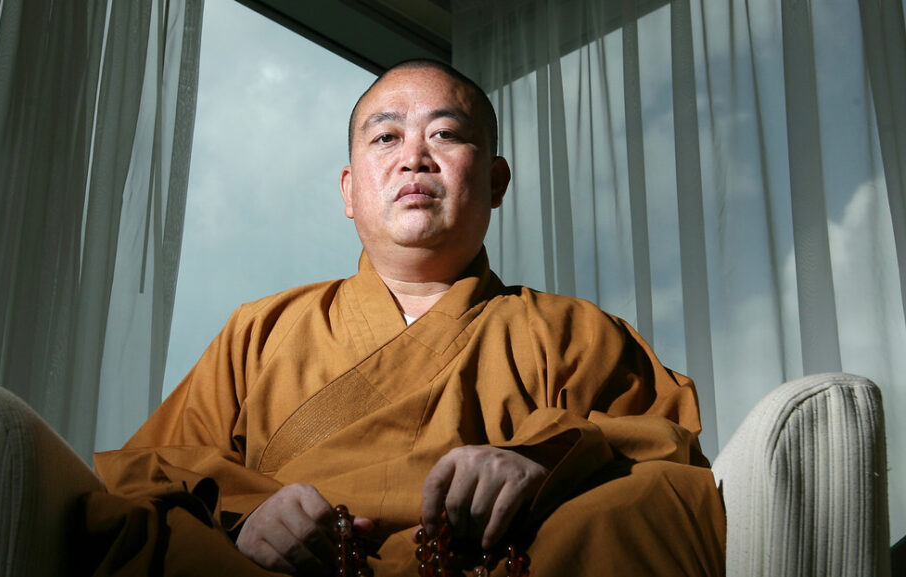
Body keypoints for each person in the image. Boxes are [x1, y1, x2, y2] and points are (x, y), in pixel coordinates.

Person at [80, 59, 725, 576]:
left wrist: (540, 458)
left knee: (655, 499)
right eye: (386, 137)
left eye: (446, 134)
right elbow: (144, 472)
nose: (414, 157)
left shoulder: (571, 330)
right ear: (349, 189)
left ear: (496, 181)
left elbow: (665, 441)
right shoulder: (262, 330)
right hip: (296, 568)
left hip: (501, 560)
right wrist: (247, 515)